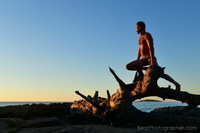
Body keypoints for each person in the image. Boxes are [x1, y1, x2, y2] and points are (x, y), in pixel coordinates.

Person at [126, 21, 180, 91]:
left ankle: (176, 84)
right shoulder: (140, 38)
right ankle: (145, 70)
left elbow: (151, 48)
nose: (135, 29)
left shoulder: (147, 35)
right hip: (143, 59)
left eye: (136, 27)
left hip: (149, 58)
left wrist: (152, 60)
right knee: (128, 66)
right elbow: (140, 49)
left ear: (140, 27)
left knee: (159, 73)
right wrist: (137, 59)